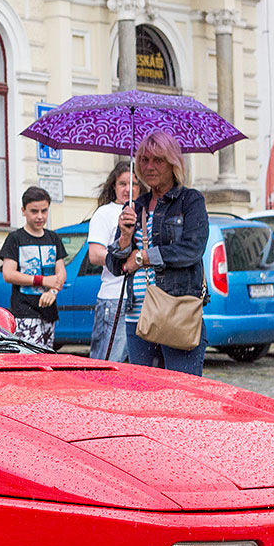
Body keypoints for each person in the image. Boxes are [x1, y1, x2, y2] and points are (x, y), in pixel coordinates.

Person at [106, 131, 210, 375]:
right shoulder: (135, 207)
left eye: (158, 160)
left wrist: (143, 257)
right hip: (138, 317)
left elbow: (191, 250)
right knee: (144, 397)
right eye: (144, 159)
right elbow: (115, 265)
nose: (149, 166)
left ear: (173, 163)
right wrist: (124, 236)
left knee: (182, 395)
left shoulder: (189, 201)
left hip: (176, 312)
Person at [0, 186, 67, 350]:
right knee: (29, 357)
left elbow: (61, 272)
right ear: (23, 211)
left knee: (46, 357)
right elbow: (8, 274)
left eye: (44, 211)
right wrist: (43, 280)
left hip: (49, 313)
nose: (40, 216)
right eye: (34, 211)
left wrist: (53, 291)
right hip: (24, 311)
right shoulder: (15, 238)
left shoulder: (53, 237)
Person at [87, 164, 138, 363]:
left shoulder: (145, 211)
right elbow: (95, 254)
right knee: (107, 362)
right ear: (114, 186)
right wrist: (126, 257)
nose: (128, 189)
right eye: (123, 183)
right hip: (114, 298)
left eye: (133, 184)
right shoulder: (105, 213)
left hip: (143, 299)